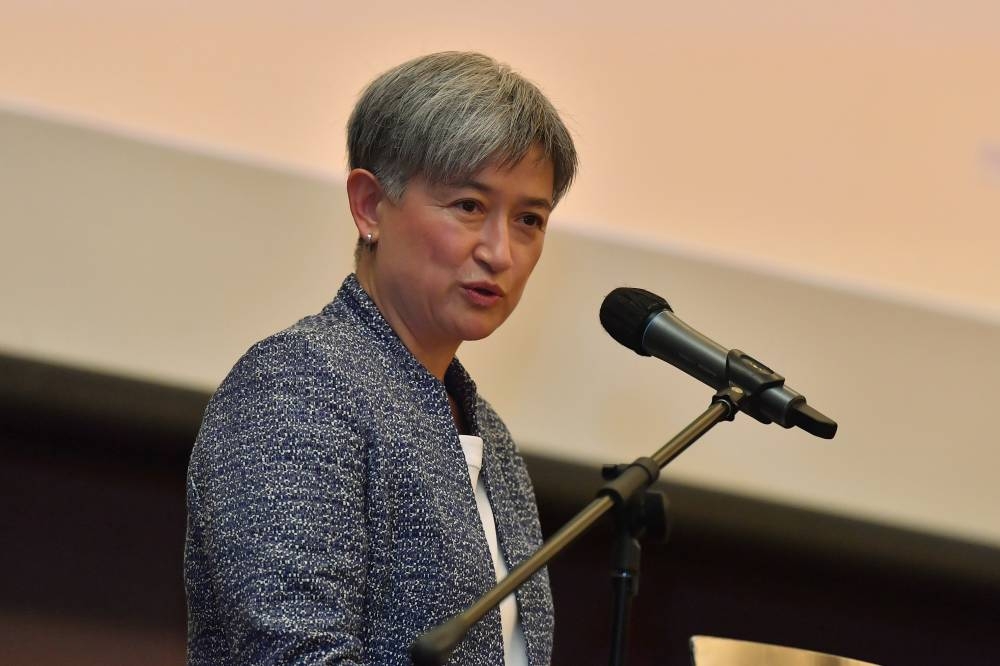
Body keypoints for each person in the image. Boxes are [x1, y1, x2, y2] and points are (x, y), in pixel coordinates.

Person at [184, 51, 578, 665]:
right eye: (469, 207)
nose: (501, 251)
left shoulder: (488, 437)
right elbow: (291, 653)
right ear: (369, 205)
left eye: (530, 219)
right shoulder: (296, 389)